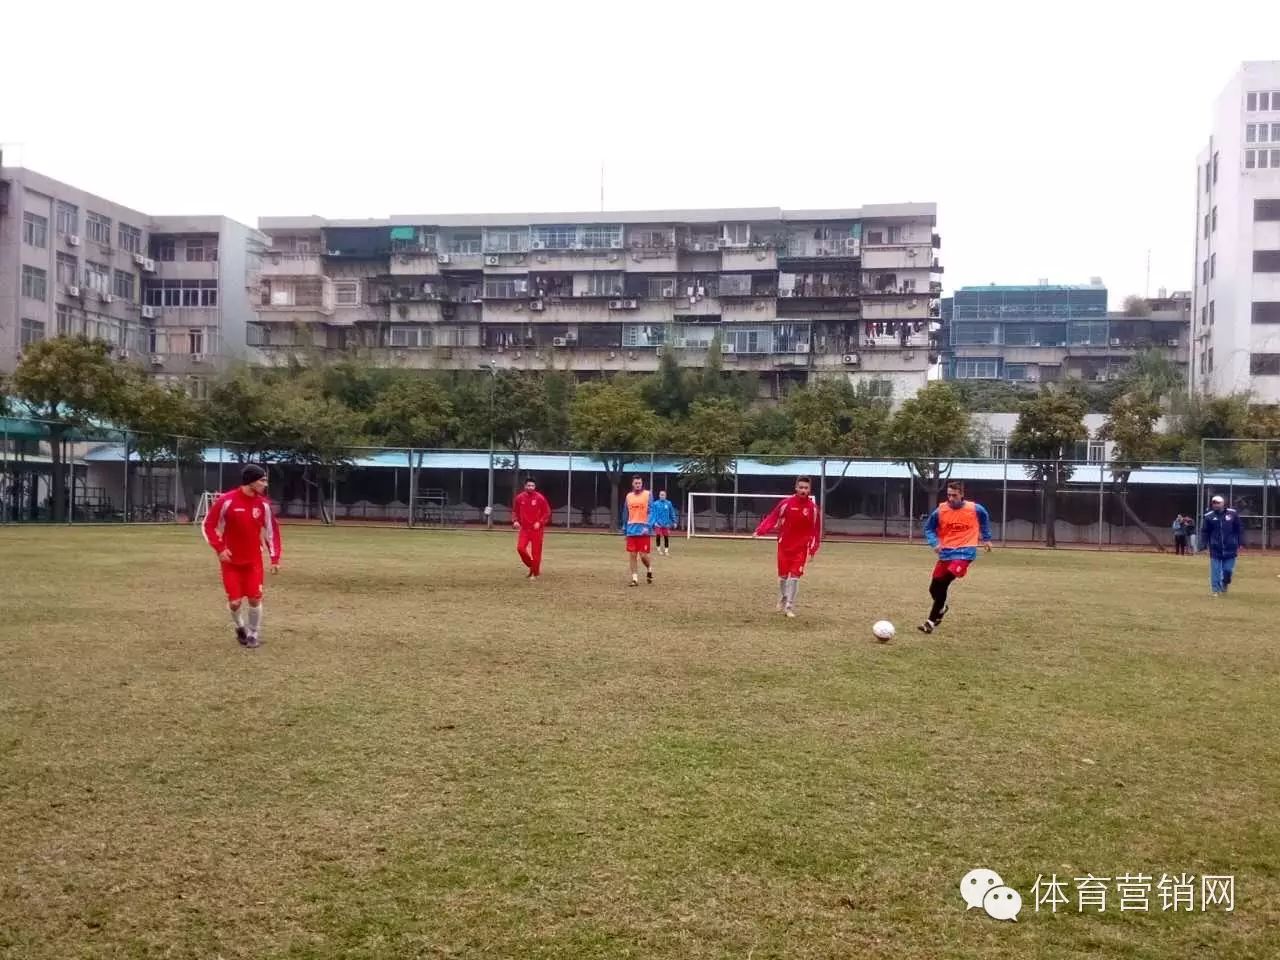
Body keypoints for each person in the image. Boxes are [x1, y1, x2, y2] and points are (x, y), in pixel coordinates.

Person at [201, 464, 281, 648]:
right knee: (235, 603)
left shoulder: (263, 505)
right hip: (230, 562)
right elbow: (208, 525)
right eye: (262, 480)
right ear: (251, 481)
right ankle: (240, 627)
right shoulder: (227, 501)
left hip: (253, 561)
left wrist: (275, 558)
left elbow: (271, 532)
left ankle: (253, 633)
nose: (265, 484)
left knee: (254, 599)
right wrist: (220, 548)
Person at [918, 480, 992, 634]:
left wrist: (986, 538)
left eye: (954, 495)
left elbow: (984, 520)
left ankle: (930, 622)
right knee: (934, 589)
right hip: (946, 553)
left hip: (965, 553)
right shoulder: (941, 510)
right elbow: (929, 529)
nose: (951, 498)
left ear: (962, 495)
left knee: (944, 583)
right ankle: (942, 607)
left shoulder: (975, 509)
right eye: (948, 495)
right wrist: (935, 543)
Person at [753, 476, 821, 618]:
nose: (803, 490)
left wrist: (813, 548)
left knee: (794, 577)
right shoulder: (786, 504)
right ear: (796, 488)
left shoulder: (813, 509)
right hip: (784, 545)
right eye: (801, 487)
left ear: (809, 490)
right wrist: (760, 530)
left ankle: (789, 606)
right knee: (783, 577)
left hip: (801, 548)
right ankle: (783, 597)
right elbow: (772, 517)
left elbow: (816, 529)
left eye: (806, 488)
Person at [1200, 495, 1243, 596]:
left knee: (1228, 570)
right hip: (1215, 548)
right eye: (1214, 503)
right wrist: (1203, 544)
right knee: (1215, 570)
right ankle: (1216, 590)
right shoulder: (1208, 516)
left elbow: (1239, 529)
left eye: (1218, 502)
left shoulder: (1232, 514)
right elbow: (1205, 532)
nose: (1216, 505)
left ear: (1223, 503)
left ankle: (1225, 582)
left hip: (1230, 547)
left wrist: (1240, 542)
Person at [512, 476, 552, 580]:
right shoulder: (519, 498)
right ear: (525, 486)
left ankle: (535, 573)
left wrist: (540, 522)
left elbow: (547, 512)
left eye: (532, 485)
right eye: (529, 485)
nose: (531, 487)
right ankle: (532, 566)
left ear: (535, 487)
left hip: (536, 530)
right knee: (520, 548)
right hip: (524, 529)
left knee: (536, 552)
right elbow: (514, 511)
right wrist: (515, 521)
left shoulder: (540, 498)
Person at [621, 475, 654, 586]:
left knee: (643, 555)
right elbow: (625, 513)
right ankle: (635, 579)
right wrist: (624, 529)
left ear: (642, 484)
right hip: (631, 530)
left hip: (643, 530)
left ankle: (649, 568)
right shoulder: (628, 496)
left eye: (639, 483)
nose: (638, 485)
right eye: (636, 483)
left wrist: (648, 526)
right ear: (632, 484)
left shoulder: (648, 495)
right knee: (632, 554)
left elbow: (652, 512)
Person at [650, 490, 679, 556]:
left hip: (666, 524)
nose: (662, 496)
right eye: (661, 495)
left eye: (663, 495)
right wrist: (654, 522)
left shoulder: (669, 503)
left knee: (666, 537)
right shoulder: (655, 504)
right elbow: (653, 514)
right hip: (658, 524)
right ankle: (659, 549)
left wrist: (674, 522)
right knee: (658, 536)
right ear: (659, 496)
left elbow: (672, 513)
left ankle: (666, 550)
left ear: (665, 496)